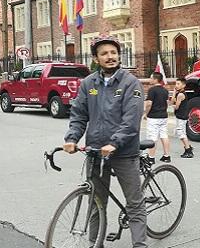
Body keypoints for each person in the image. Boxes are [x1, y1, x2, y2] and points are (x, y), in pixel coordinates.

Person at [63, 35, 147, 248]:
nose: (110, 57)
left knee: (134, 204)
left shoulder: (130, 82)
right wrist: (72, 138)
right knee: (95, 202)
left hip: (124, 153)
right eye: (104, 54)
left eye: (113, 52)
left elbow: (131, 120)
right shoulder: (88, 83)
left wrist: (115, 143)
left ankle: (140, 245)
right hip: (96, 152)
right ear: (96, 58)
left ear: (118, 55)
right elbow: (79, 114)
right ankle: (95, 243)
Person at [143, 72, 171, 163]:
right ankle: (166, 155)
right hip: (163, 116)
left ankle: (151, 157)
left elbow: (149, 104)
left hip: (154, 117)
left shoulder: (152, 90)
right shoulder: (165, 90)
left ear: (155, 79)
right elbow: (167, 103)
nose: (150, 80)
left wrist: (146, 114)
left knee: (152, 137)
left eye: (151, 78)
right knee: (164, 135)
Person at [172, 77, 194, 158]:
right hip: (182, 116)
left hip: (181, 116)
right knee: (182, 133)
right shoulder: (180, 93)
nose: (176, 85)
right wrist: (174, 93)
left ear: (184, 85)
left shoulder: (181, 95)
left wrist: (173, 106)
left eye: (178, 84)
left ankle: (188, 150)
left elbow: (176, 106)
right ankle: (188, 146)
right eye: (176, 84)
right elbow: (173, 101)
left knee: (181, 133)